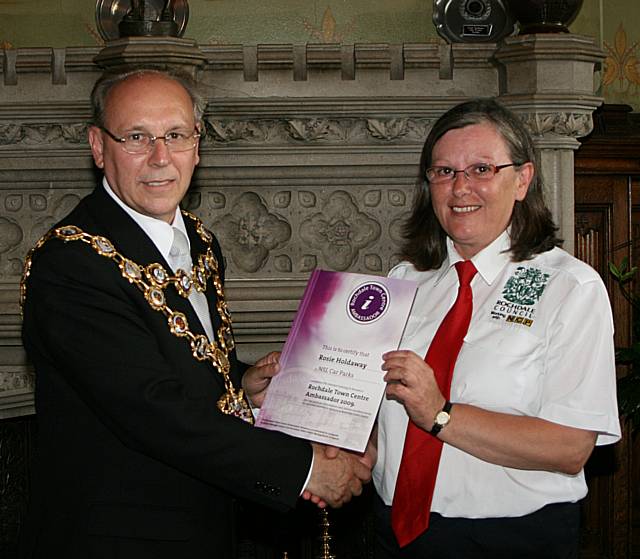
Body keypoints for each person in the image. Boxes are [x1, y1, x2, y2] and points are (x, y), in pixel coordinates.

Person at [19, 67, 371, 559]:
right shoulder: (71, 262)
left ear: (197, 145)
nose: (160, 157)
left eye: (176, 135)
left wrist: (243, 384)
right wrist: (306, 468)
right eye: (137, 136)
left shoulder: (200, 242)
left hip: (202, 522)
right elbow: (153, 409)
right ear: (99, 147)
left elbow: (181, 362)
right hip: (116, 538)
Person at [373, 98, 621, 558]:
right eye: (443, 171)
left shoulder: (570, 288)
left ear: (523, 179)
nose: (460, 187)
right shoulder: (404, 282)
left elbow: (570, 447)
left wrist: (440, 414)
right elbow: (381, 416)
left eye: (482, 169)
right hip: (395, 534)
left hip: (511, 540)